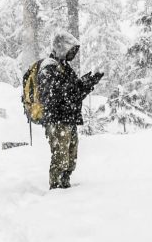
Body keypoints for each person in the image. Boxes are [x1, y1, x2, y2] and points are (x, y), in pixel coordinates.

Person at [37, 31, 103, 189]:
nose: (73, 54)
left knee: (71, 157)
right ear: (62, 48)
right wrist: (75, 87)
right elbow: (53, 94)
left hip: (68, 118)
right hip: (57, 120)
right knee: (61, 157)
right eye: (71, 50)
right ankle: (55, 188)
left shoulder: (65, 68)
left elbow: (73, 94)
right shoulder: (49, 67)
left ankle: (65, 185)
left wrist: (87, 84)